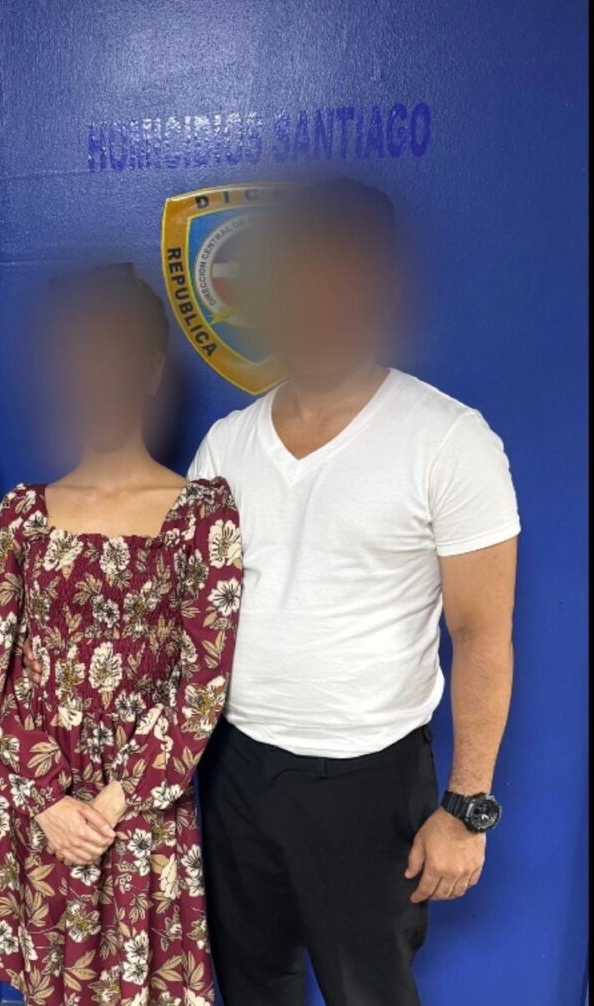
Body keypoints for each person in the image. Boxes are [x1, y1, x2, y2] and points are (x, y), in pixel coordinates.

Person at [189, 178, 520, 1005]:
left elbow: (482, 632)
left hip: (368, 780)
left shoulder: (448, 440)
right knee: (252, 987)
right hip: (235, 768)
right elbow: (189, 620)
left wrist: (467, 806)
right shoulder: (226, 445)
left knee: (369, 992)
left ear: (383, 287)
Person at [0, 265, 244, 1005]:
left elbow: (202, 684)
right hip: (44, 809)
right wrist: (48, 802)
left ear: (149, 373)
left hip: (141, 812)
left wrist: (116, 804)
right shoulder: (24, 513)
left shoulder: (202, 513)